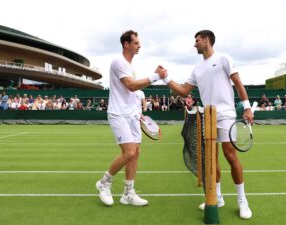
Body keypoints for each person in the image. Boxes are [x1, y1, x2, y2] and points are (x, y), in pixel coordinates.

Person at [156, 30, 254, 219]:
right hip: (208, 116)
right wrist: (166, 78)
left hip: (226, 115)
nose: (195, 44)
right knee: (212, 159)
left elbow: (238, 83)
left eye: (197, 40)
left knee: (230, 155)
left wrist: (248, 108)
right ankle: (217, 197)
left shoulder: (224, 58)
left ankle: (242, 200)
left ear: (207, 40)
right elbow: (184, 91)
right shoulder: (197, 69)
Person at [95, 30, 165, 207]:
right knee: (129, 152)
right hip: (118, 114)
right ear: (126, 44)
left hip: (132, 115)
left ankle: (128, 193)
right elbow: (131, 86)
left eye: (138, 43)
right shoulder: (118, 62)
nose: (139, 45)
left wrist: (138, 113)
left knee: (136, 153)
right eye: (136, 43)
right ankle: (104, 183)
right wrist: (155, 76)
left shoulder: (130, 66)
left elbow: (130, 94)